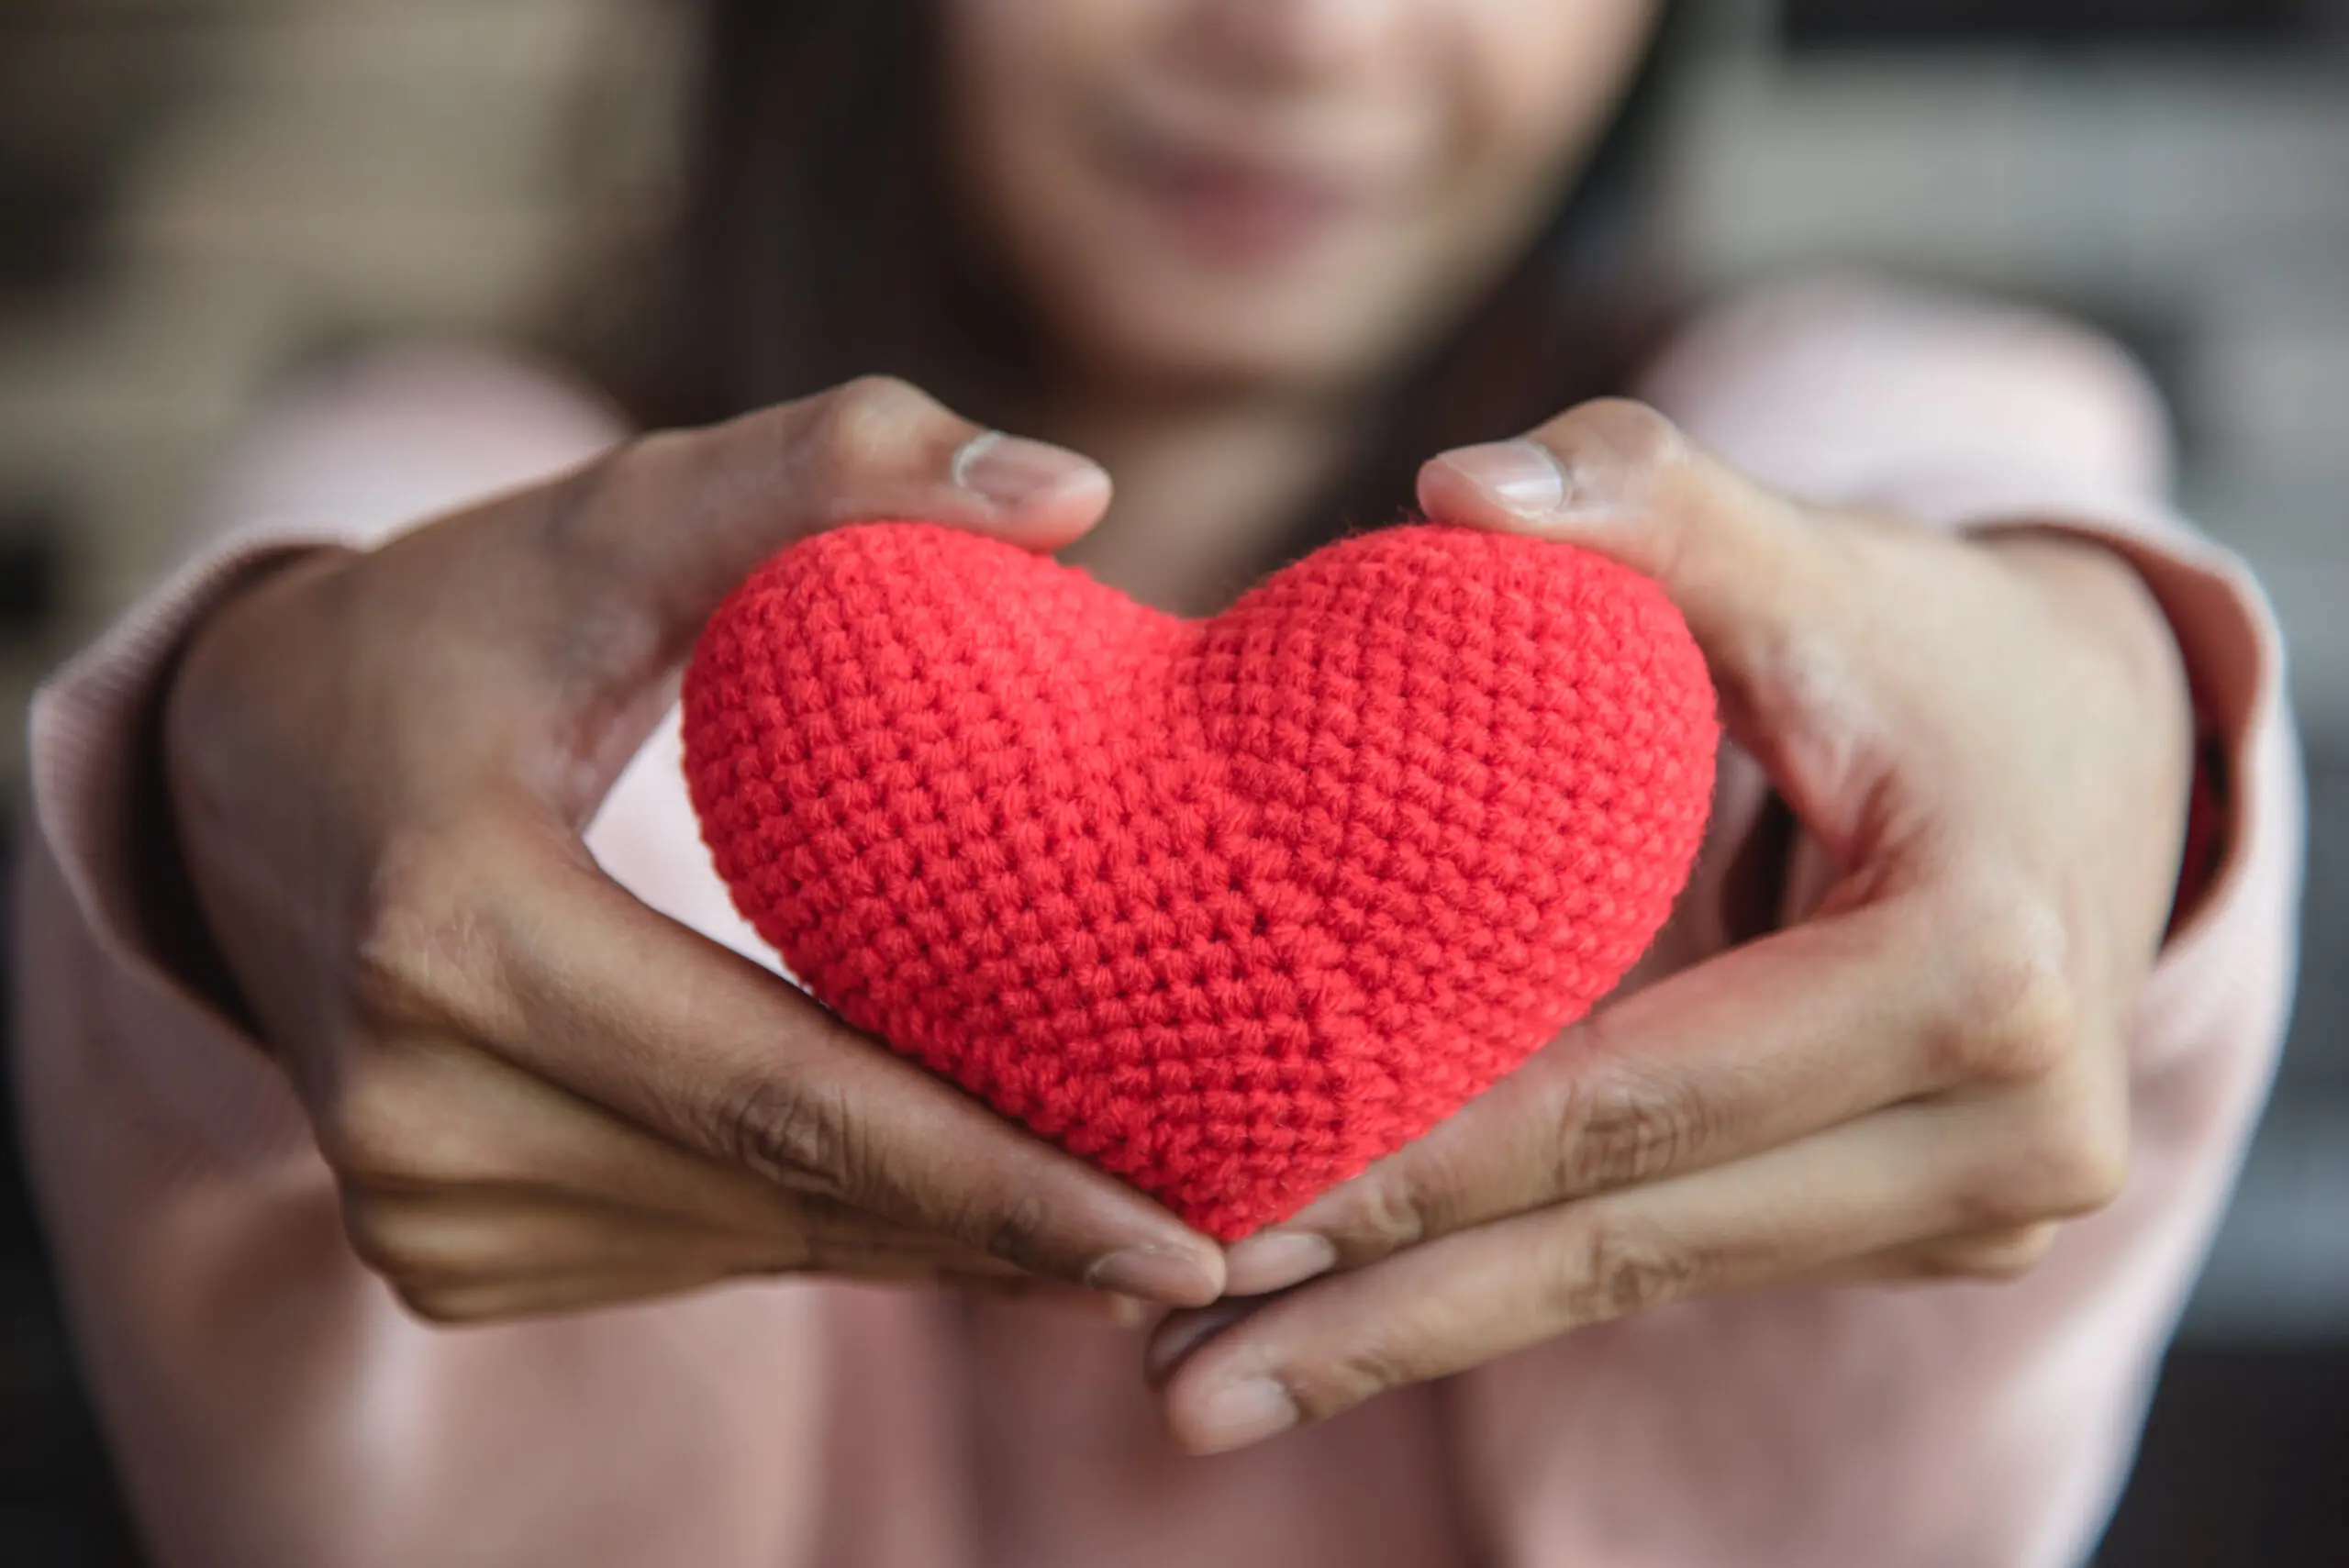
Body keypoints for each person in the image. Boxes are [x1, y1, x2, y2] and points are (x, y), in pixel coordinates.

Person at [12, 2, 2300, 1565]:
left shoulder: (1820, 444)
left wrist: (2110, 692)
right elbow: (351, 603)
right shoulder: (491, 505)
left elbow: (1979, 532)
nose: (1301, 30)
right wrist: (215, 776)